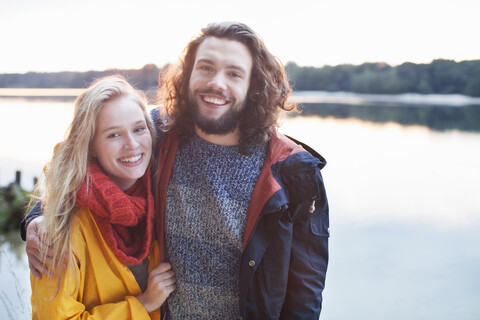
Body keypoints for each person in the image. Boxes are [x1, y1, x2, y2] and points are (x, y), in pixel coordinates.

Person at [24, 22, 329, 319]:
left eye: (234, 73)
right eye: (206, 67)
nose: (216, 83)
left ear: (254, 85)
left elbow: (304, 296)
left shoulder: (293, 170)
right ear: (188, 75)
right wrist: (38, 217)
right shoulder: (158, 134)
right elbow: (77, 159)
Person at [28, 75, 176, 319]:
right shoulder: (58, 229)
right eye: (113, 135)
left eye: (139, 129)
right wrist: (143, 303)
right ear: (91, 146)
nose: (132, 144)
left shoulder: (159, 195)